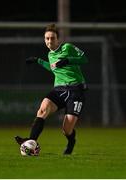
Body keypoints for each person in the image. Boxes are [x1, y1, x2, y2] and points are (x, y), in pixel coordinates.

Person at [15, 23, 88, 155]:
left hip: (76, 91)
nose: (49, 41)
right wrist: (38, 61)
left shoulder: (68, 47)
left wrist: (67, 60)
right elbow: (53, 68)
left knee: (67, 130)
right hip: (59, 90)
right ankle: (31, 141)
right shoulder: (50, 54)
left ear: (58, 39)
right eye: (47, 38)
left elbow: (84, 59)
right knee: (43, 109)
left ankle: (71, 141)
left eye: (52, 38)